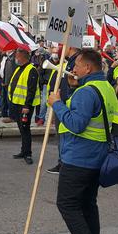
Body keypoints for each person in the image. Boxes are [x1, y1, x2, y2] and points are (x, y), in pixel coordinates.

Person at [47, 49, 118, 234]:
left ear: (87, 67)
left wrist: (57, 104)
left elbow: (76, 124)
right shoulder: (105, 86)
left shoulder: (86, 92)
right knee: (87, 204)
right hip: (97, 155)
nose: (73, 69)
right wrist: (71, 91)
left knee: (67, 204)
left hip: (79, 158)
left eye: (76, 65)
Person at [47, 46, 80, 174]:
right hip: (63, 103)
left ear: (70, 46)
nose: (61, 49)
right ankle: (63, 162)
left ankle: (64, 164)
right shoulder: (69, 62)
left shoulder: (75, 62)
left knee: (64, 137)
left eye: (63, 46)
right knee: (62, 136)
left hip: (66, 105)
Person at [8, 48, 40, 165]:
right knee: (22, 129)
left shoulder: (31, 70)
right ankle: (23, 151)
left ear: (23, 57)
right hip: (17, 104)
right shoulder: (20, 69)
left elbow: (31, 90)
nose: (16, 58)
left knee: (25, 129)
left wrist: (27, 105)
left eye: (17, 56)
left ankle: (28, 153)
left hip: (25, 106)